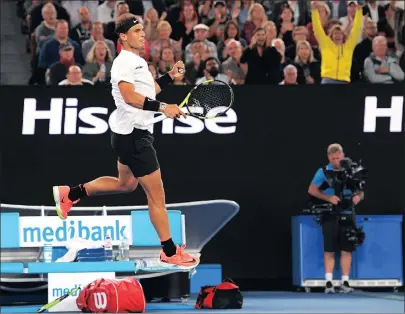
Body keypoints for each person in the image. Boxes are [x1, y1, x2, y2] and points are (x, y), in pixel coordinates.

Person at [52, 13, 199, 269]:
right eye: (137, 30)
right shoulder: (123, 62)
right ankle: (169, 251)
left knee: (125, 184)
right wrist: (164, 107)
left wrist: (169, 76)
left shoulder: (136, 60)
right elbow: (130, 96)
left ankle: (70, 193)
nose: (143, 34)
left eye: (143, 30)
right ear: (123, 36)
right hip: (134, 136)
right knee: (156, 197)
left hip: (126, 134)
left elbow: (149, 91)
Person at [308, 144, 364, 294]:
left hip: (347, 211)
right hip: (331, 213)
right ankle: (328, 283)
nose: (336, 161)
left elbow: (360, 190)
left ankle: (345, 281)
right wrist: (328, 198)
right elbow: (312, 190)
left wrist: (358, 197)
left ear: (343, 155)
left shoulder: (351, 170)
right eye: (333, 159)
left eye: (338, 158)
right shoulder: (323, 172)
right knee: (329, 249)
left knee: (347, 248)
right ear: (329, 158)